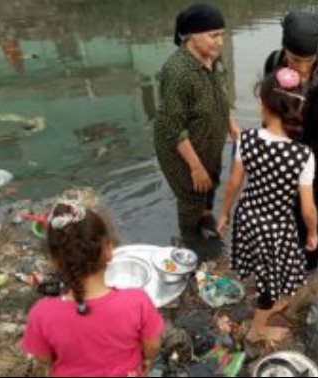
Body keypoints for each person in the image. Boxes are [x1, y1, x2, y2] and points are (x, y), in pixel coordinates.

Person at [217, 67, 318, 343]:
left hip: (248, 218)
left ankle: (269, 304)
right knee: (270, 280)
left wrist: (224, 213)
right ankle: (256, 331)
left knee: (265, 272)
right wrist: (313, 233)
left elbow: (233, 184)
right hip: (276, 227)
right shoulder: (303, 155)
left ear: (263, 104)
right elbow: (307, 209)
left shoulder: (246, 140)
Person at [21, 201, 164, 377]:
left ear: (54, 261)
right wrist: (146, 361)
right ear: (109, 249)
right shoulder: (137, 301)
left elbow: (44, 358)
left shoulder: (40, 313)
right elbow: (152, 346)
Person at [154, 3, 240, 251]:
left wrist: (231, 126)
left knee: (211, 182)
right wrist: (195, 167)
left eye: (222, 34)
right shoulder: (177, 71)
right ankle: (190, 241)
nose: (219, 42)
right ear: (192, 35)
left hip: (209, 139)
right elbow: (173, 126)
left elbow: (220, 94)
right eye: (213, 35)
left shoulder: (214, 57)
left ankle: (205, 219)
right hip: (180, 150)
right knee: (192, 195)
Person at [264, 10, 318, 272]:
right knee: (282, 214)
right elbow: (270, 110)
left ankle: (308, 272)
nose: (300, 67)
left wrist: (298, 168)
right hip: (285, 152)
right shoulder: (274, 63)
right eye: (295, 59)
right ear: (284, 49)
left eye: (307, 60)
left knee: (312, 219)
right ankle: (283, 263)